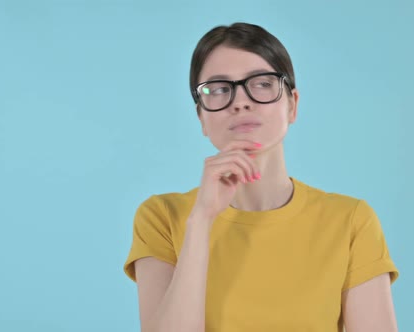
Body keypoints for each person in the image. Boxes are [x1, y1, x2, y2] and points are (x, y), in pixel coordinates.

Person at [123, 22, 399, 332]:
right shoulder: (161, 218)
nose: (241, 101)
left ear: (292, 105)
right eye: (219, 89)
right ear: (201, 116)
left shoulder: (351, 221)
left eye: (262, 83)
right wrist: (200, 221)